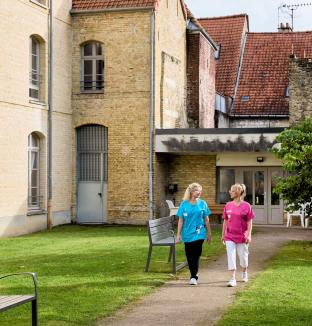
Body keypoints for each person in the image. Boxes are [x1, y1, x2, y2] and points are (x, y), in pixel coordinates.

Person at [176, 183, 211, 285]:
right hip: (187, 234)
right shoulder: (184, 204)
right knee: (189, 255)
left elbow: (206, 220)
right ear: (191, 192)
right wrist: (178, 235)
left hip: (199, 233)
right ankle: (194, 273)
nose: (199, 192)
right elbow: (181, 220)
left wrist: (209, 234)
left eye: (200, 191)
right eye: (197, 190)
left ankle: (193, 276)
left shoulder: (202, 203)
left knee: (196, 254)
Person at [221, 183, 255, 287]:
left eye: (232, 190)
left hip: (242, 236)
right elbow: (225, 221)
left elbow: (249, 222)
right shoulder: (228, 205)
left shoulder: (246, 206)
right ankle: (232, 278)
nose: (230, 192)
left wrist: (249, 235)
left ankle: (244, 272)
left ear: (239, 192)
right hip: (230, 236)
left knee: (243, 257)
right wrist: (223, 235)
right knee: (231, 256)